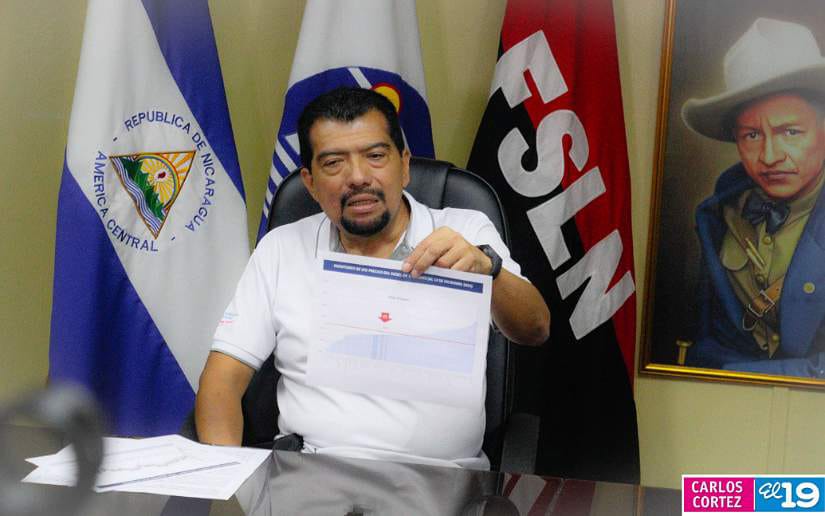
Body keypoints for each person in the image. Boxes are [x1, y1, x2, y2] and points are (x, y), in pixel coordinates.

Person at [195, 87, 550, 468]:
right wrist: (225, 480)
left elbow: (535, 329)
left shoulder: (466, 231)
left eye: (376, 156)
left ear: (405, 165)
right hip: (311, 474)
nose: (358, 177)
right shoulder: (281, 249)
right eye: (334, 163)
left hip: (445, 480)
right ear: (310, 182)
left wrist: (489, 269)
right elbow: (221, 383)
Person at [681, 18, 825, 378]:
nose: (770, 156)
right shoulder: (718, 215)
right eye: (752, 135)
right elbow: (706, 341)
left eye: (790, 132)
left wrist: (741, 374)